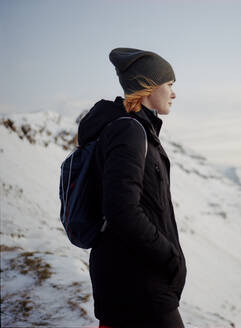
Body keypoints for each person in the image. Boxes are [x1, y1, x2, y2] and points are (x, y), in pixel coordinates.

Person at [77, 48, 187, 328]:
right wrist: (169, 256)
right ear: (148, 87)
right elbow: (121, 210)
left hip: (129, 277)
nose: (174, 93)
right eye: (170, 85)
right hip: (137, 281)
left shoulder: (136, 130)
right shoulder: (129, 131)